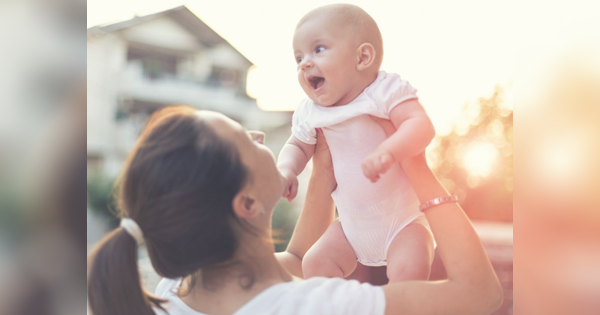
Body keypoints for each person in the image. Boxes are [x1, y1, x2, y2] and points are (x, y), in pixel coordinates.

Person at [87, 105, 502, 315]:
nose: (257, 134)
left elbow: (299, 260)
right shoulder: (318, 306)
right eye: (245, 140)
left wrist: (322, 172)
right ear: (247, 204)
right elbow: (479, 294)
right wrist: (416, 167)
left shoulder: (172, 289)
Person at [277, 4, 436, 281]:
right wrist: (287, 170)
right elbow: (297, 146)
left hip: (404, 222)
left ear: (362, 57)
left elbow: (421, 126)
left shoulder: (383, 91)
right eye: (298, 57)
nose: (304, 63)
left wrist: (390, 149)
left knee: (408, 273)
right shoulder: (311, 111)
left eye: (319, 49)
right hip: (351, 227)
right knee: (315, 264)